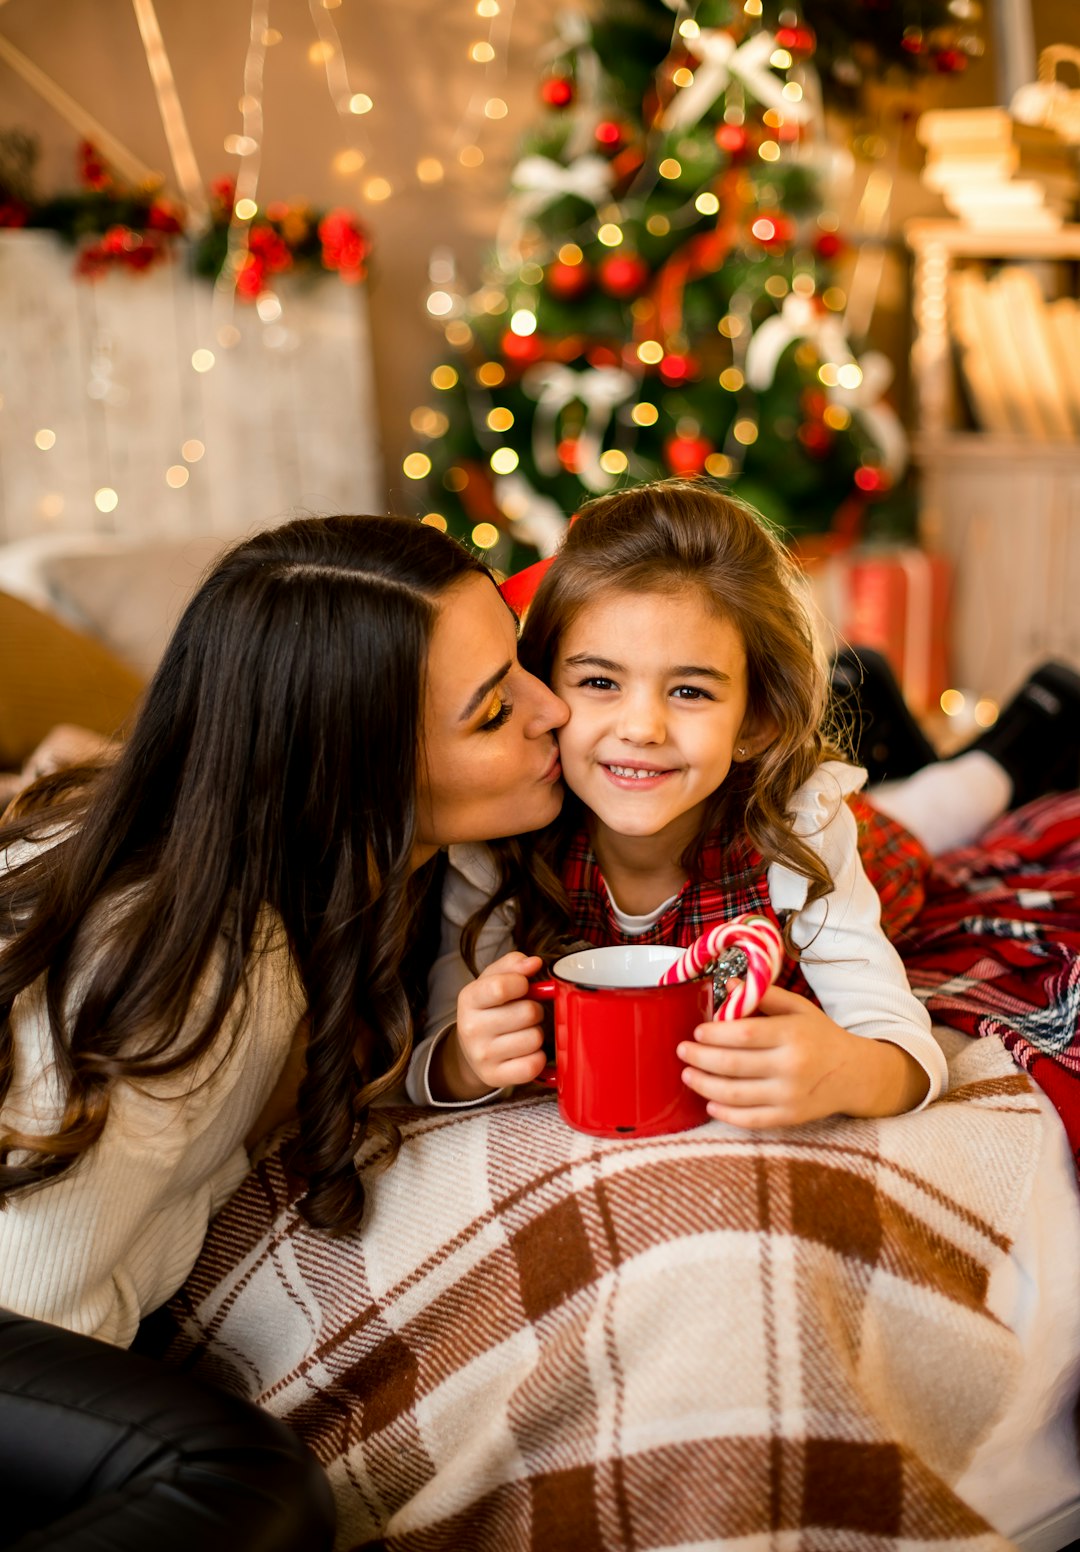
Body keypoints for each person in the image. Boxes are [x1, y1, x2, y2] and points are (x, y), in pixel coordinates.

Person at [0, 511, 567, 1346]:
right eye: (491, 712)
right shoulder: (206, 960)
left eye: (520, 659)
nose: (551, 707)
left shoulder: (363, 885)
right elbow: (34, 1312)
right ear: (354, 776)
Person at [408, 478, 955, 1126]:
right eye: (600, 681)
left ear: (754, 722)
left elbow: (904, 1043)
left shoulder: (805, 829)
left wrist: (847, 1071)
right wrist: (465, 1060)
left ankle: (995, 755)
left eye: (690, 692)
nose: (641, 728)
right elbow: (435, 1046)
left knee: (937, 819)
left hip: (868, 849)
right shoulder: (504, 840)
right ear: (543, 686)